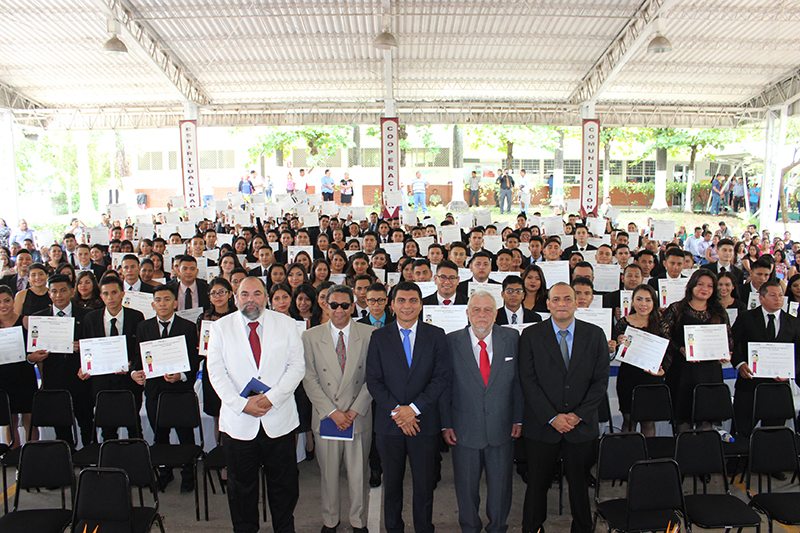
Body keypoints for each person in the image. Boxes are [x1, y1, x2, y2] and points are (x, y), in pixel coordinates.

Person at [207, 276, 305, 533]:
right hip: (239, 423)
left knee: (284, 487)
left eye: (257, 294)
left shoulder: (286, 324)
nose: (251, 299)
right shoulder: (220, 327)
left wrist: (272, 398)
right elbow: (215, 372)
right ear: (235, 296)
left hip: (279, 420)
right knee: (241, 490)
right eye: (245, 294)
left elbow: (297, 367)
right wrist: (241, 404)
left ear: (266, 297)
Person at [518, 282, 609, 533]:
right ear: (547, 304)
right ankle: (533, 527)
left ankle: (582, 528)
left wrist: (578, 415)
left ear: (576, 302)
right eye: (556, 299)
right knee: (537, 483)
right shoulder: (531, 335)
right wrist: (551, 417)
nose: (562, 304)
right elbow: (528, 380)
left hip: (581, 426)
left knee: (579, 485)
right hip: (542, 426)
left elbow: (600, 382)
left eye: (567, 299)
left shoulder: (595, 334)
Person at [366, 281, 450, 533]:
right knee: (392, 486)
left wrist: (412, 409)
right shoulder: (379, 337)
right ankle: (394, 528)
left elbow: (440, 378)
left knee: (424, 486)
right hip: (389, 425)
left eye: (413, 300)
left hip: (423, 424)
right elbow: (374, 380)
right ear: (392, 305)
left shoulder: (436, 335)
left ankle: (424, 528)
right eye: (401, 300)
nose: (407, 306)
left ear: (421, 305)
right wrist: (398, 411)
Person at [439, 290, 522, 533]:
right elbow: (445, 387)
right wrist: (446, 424)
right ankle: (469, 527)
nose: (482, 314)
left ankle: (497, 527)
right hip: (463, 429)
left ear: (496, 314)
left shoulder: (513, 338)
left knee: (500, 487)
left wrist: (518, 418)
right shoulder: (451, 342)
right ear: (467, 313)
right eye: (476, 309)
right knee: (465, 488)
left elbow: (519, 382)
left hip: (502, 428)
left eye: (487, 310)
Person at [302, 284, 375, 533]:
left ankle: (358, 521)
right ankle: (330, 520)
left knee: (358, 475)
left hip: (358, 416)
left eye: (345, 305)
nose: (339, 310)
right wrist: (333, 412)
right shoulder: (310, 336)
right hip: (327, 417)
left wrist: (353, 411)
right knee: (329, 476)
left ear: (353, 306)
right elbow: (309, 379)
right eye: (334, 305)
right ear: (326, 305)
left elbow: (374, 378)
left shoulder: (369, 334)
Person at [130, 285, 200, 492]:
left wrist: (182, 375)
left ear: (175, 303)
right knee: (160, 435)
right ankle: (165, 472)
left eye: (167, 299)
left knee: (185, 435)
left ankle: (189, 474)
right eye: (158, 300)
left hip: (180, 390)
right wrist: (136, 372)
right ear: (153, 304)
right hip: (154, 390)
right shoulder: (144, 327)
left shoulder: (187, 327)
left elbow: (194, 359)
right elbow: (138, 356)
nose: (162, 303)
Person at [27, 274, 93, 447]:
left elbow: (95, 347)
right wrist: (34, 358)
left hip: (81, 379)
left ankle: (90, 459)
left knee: (86, 422)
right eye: (54, 291)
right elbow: (32, 353)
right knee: (61, 426)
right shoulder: (40, 319)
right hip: (54, 380)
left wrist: (85, 347)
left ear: (72, 291)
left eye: (63, 290)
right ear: (49, 293)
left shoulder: (87, 316)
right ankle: (67, 461)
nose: (58, 295)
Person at [660, 270, 731, 430]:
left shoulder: (719, 312)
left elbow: (728, 338)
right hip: (682, 373)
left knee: (707, 420)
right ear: (692, 285)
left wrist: (725, 353)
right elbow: (664, 336)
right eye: (700, 284)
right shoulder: (676, 309)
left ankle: (704, 453)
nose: (704, 288)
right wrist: (680, 349)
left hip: (709, 373)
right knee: (683, 420)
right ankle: (684, 454)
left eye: (709, 286)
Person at [731, 280, 800, 441]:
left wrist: (790, 372)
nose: (778, 299)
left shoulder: (793, 322)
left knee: (774, 434)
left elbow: (798, 354)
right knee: (742, 432)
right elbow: (732, 343)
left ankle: (770, 465)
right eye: (773, 295)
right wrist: (740, 364)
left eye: (781, 295)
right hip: (749, 385)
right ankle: (738, 466)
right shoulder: (746, 317)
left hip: (778, 386)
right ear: (761, 298)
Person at [78, 276, 145, 440]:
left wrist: (131, 366)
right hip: (102, 381)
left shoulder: (136, 317)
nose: (110, 297)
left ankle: (136, 461)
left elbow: (140, 349)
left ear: (122, 294)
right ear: (101, 296)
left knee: (133, 426)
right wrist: (85, 366)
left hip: (128, 380)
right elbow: (86, 349)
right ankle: (111, 461)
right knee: (107, 428)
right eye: (106, 294)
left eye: (114, 292)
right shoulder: (91, 319)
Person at [612, 284, 666, 435]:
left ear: (654, 302)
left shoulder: (662, 323)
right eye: (639, 299)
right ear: (632, 301)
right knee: (629, 420)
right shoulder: (623, 323)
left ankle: (648, 456)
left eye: (648, 300)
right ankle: (627, 453)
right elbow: (615, 351)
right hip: (628, 377)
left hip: (652, 377)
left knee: (648, 421)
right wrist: (618, 343)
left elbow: (669, 351)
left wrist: (663, 370)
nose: (643, 304)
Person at [197, 277, 237, 439]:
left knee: (235, 412)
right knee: (217, 416)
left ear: (230, 294)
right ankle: (220, 455)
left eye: (222, 292)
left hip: (235, 369)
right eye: (213, 293)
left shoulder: (238, 316)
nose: (218, 296)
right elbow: (199, 345)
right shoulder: (203, 318)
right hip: (212, 370)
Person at [0, 285, 38, 447]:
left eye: (7, 300)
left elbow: (37, 348)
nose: (3, 305)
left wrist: (34, 357)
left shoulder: (26, 322)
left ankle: (33, 458)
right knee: (10, 420)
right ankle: (16, 460)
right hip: (3, 379)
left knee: (30, 420)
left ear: (14, 301)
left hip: (24, 377)